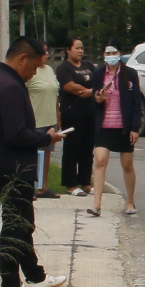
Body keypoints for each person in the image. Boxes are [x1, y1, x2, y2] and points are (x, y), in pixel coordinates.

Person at [0, 37, 68, 287]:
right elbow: (16, 133)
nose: (35, 73)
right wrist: (46, 138)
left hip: (0, 162)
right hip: (12, 166)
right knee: (15, 225)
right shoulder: (10, 86)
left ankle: (35, 277)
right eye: (35, 67)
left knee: (23, 222)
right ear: (22, 58)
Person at [86, 43, 144, 217]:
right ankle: (97, 204)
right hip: (104, 126)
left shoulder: (130, 74)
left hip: (123, 127)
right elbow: (92, 103)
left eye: (114, 52)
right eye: (108, 53)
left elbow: (136, 102)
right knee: (100, 161)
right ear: (104, 54)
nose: (111, 56)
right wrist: (98, 100)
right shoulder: (98, 74)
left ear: (120, 53)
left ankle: (130, 201)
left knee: (127, 165)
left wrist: (135, 127)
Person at [56, 38, 101, 196]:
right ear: (68, 49)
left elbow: (99, 83)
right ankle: (70, 184)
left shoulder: (89, 66)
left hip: (90, 112)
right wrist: (89, 91)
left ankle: (85, 182)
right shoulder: (63, 68)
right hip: (72, 113)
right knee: (72, 148)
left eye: (82, 48)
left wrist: (90, 92)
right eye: (77, 48)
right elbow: (70, 86)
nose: (80, 51)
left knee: (87, 149)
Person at [26, 40, 62, 198]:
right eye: (44, 51)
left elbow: (55, 94)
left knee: (47, 153)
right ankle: (30, 187)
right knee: (33, 154)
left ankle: (43, 187)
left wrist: (58, 116)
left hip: (50, 119)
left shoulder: (49, 70)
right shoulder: (30, 71)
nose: (47, 54)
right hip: (35, 119)